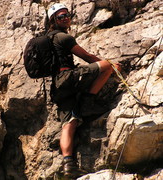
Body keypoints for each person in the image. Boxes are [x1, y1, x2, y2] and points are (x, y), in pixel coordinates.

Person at [47, 3, 121, 178]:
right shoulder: (63, 38)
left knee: (69, 123)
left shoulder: (48, 39)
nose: (65, 18)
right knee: (107, 66)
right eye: (61, 17)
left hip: (58, 87)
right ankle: (88, 102)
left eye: (67, 15)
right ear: (53, 20)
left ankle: (68, 165)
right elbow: (87, 57)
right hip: (68, 78)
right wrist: (110, 64)